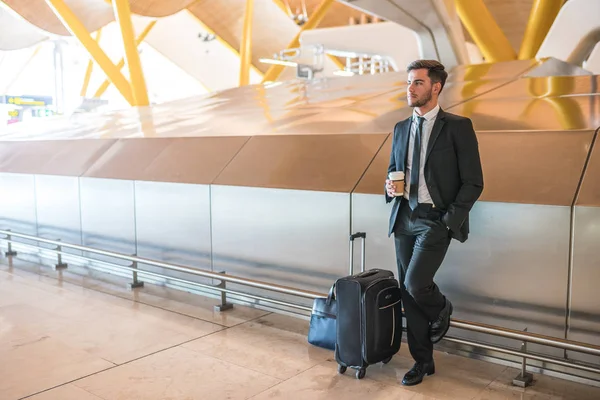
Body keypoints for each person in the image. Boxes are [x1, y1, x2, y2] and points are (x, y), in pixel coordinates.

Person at [385, 60, 484, 386]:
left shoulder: (457, 126)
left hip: (434, 219)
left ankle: (442, 307)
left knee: (417, 284)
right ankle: (422, 361)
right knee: (408, 294)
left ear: (435, 87)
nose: (409, 89)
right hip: (404, 215)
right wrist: (389, 187)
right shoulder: (400, 128)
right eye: (408, 83)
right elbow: (393, 171)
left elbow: (473, 182)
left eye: (417, 83)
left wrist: (447, 222)